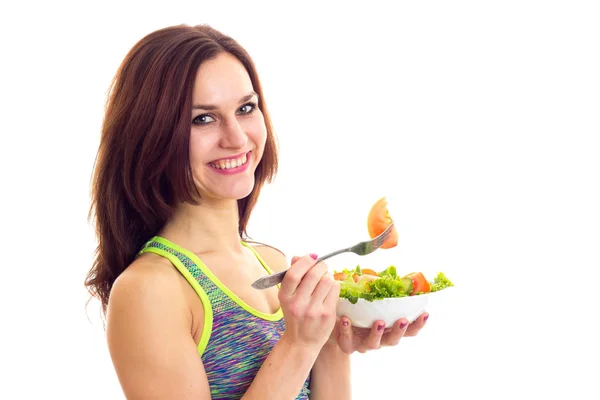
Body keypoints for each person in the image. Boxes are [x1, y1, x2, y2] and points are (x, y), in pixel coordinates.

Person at [84, 24, 429, 399]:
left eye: (246, 108)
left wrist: (328, 340)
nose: (236, 138)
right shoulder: (148, 291)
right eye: (203, 118)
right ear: (151, 135)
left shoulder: (271, 262)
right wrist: (297, 346)